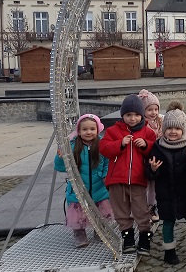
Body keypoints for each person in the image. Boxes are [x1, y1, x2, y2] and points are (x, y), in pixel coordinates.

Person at [99, 94, 156, 254]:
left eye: (136, 114)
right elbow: (104, 148)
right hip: (116, 180)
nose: (132, 118)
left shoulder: (148, 132)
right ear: (122, 115)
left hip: (138, 180)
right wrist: (120, 144)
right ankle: (128, 239)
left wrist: (145, 145)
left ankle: (145, 238)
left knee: (141, 210)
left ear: (142, 115)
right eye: (128, 114)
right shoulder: (113, 131)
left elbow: (155, 150)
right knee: (121, 212)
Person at [54, 114, 113, 248]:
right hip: (78, 186)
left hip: (99, 186)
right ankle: (79, 233)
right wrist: (60, 157)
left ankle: (100, 230)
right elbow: (61, 167)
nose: (88, 132)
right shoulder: (72, 146)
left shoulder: (102, 144)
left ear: (98, 129)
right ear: (79, 131)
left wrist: (105, 175)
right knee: (78, 213)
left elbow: (107, 162)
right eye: (85, 129)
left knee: (100, 211)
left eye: (92, 129)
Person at [146, 109, 186, 265]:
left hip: (185, 192)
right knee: (168, 222)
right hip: (165, 193)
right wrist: (153, 169)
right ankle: (169, 251)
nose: (173, 131)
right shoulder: (158, 147)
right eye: (169, 128)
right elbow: (150, 173)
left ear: (183, 129)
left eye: (177, 128)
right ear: (164, 129)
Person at [138, 88, 163, 224]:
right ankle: (146, 207)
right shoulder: (142, 125)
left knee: (154, 185)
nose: (153, 112)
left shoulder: (160, 122)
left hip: (157, 157)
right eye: (150, 110)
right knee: (147, 185)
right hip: (145, 158)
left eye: (156, 109)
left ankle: (152, 206)